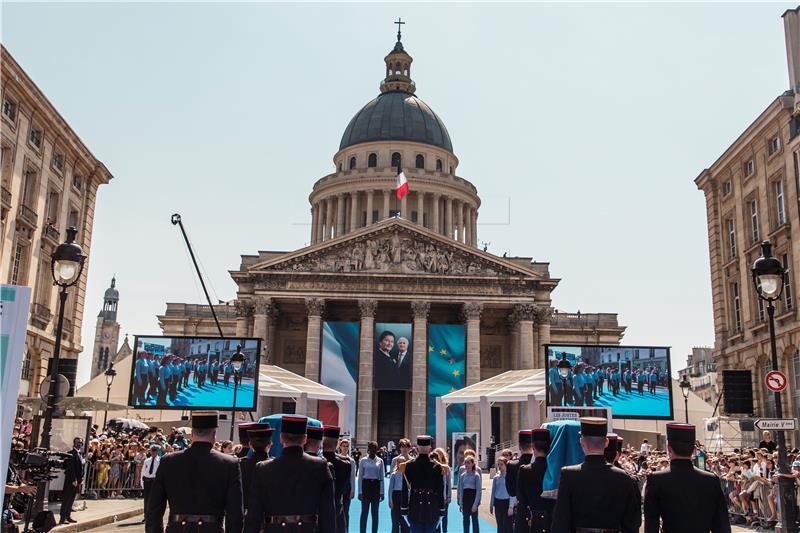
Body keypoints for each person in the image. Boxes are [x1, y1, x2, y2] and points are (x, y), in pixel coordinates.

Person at [145, 411, 243, 533]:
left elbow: (154, 509)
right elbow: (235, 513)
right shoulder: (229, 464)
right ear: (214, 434)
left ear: (192, 434)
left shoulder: (169, 461)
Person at [244, 415, 335, 533]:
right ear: (305, 439)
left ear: (281, 439)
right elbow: (328, 514)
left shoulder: (263, 469)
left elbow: (254, 516)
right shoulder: (321, 466)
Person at [551, 417, 641, 533]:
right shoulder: (624, 477)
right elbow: (631, 524)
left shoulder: (569, 475)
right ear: (607, 443)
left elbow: (561, 520)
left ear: (581, 442)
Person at [643, 423, 731, 533]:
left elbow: (651, 524)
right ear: (694, 450)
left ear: (669, 448)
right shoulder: (711, 480)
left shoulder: (656, 480)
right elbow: (722, 525)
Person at [400, 435, 447, 533]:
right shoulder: (437, 467)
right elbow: (440, 490)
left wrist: (404, 508)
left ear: (416, 449)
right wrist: (442, 510)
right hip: (432, 508)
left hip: (415, 508)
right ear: (430, 449)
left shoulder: (409, 466)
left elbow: (404, 489)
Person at [517, 428, 553, 533]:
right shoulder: (557, 470)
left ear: (533, 446)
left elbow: (521, 498)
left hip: (534, 520)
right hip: (552, 521)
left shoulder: (525, 470)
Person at [321, 426, 352, 533]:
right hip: (337, 509)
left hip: (318, 514)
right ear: (337, 444)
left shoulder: (314, 463)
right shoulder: (346, 464)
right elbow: (345, 489)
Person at [240, 423, 273, 511]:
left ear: (250, 444)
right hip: (269, 517)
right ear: (270, 444)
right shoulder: (276, 466)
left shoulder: (240, 465)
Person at [505, 430, 533, 529]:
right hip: (538, 511)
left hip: (521, 509)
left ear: (519, 446)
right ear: (533, 445)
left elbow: (511, 491)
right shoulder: (543, 464)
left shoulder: (511, 465)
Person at [358, 441, 384, 533]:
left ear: (377, 450)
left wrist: (382, 492)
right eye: (371, 448)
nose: (373, 450)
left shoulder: (380, 461)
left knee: (375, 513)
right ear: (368, 449)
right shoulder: (363, 460)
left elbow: (382, 478)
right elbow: (360, 477)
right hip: (366, 486)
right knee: (364, 513)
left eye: (375, 448)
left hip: (376, 487)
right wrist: (360, 492)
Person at [60, 437, 84, 525]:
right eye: (77, 442)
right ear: (74, 443)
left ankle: (68, 516)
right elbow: (70, 468)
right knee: (66, 499)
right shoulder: (71, 454)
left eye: (80, 443)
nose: (79, 444)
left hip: (77, 481)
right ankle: (62, 518)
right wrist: (73, 479)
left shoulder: (80, 454)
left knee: (71, 499)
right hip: (71, 481)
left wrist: (81, 478)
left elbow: (81, 468)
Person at [457, 456, 481, 533]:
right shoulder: (462, 475)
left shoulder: (476, 475)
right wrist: (461, 503)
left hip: (473, 499)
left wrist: (475, 504)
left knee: (475, 521)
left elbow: (478, 491)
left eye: (468, 463)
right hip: (465, 500)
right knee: (465, 521)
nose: (466, 465)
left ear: (472, 464)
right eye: (465, 463)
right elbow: (461, 490)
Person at [489, 456, 513, 533]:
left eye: (501, 464)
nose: (499, 466)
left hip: (507, 502)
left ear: (506, 465)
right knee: (500, 525)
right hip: (498, 503)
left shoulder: (510, 477)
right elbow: (493, 492)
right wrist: (491, 504)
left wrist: (511, 506)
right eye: (498, 464)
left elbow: (513, 493)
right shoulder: (496, 478)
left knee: (507, 525)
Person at [338, 438, 357, 532]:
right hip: (338, 490)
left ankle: (346, 530)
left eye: (347, 446)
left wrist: (353, 490)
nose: (345, 448)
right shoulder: (336, 459)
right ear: (340, 447)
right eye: (343, 446)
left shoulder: (352, 461)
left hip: (347, 489)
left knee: (346, 511)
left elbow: (352, 477)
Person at [140, 444, 161, 523]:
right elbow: (143, 472)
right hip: (147, 481)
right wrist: (142, 482)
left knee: (155, 499)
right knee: (147, 499)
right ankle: (146, 515)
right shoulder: (147, 461)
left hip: (155, 481)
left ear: (157, 452)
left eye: (155, 451)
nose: (153, 452)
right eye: (152, 451)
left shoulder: (160, 461)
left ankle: (154, 515)